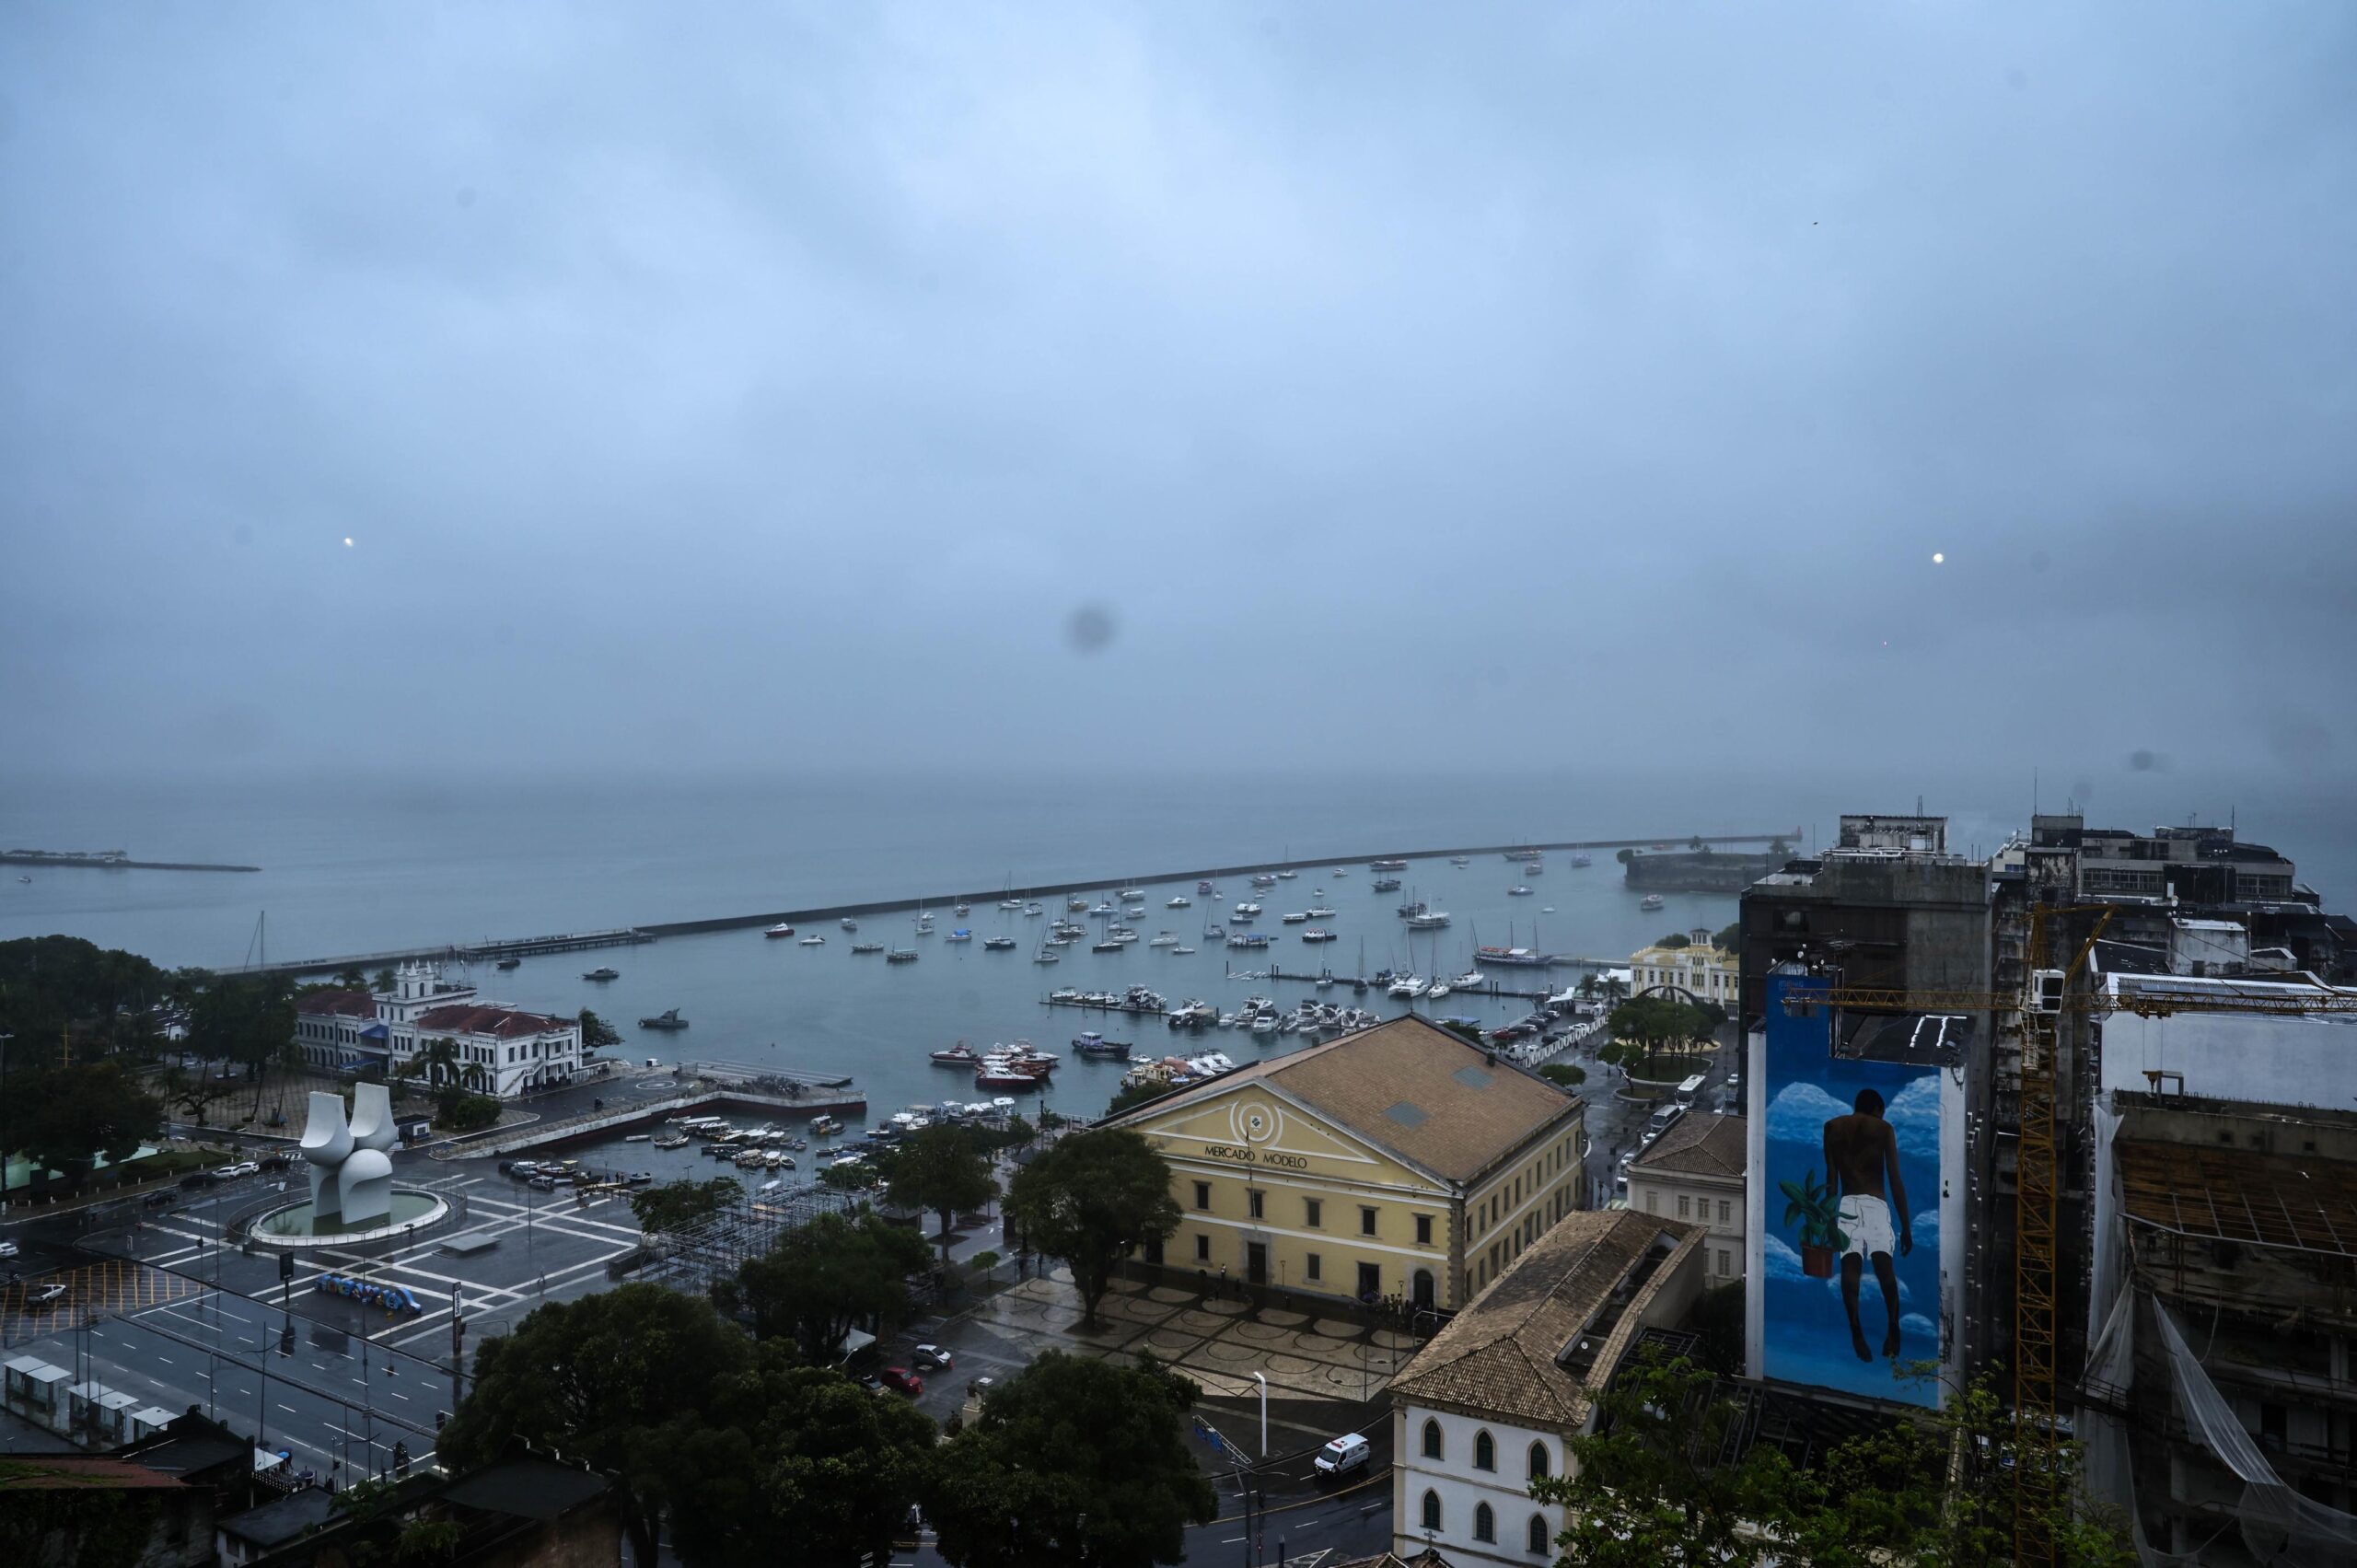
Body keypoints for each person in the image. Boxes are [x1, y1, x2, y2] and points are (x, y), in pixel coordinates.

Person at [1822, 1086, 1911, 1362]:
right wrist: (1906, 1226)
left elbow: (1831, 1180)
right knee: (1885, 1269)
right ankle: (1894, 1327)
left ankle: (1856, 1329)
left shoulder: (1832, 1127)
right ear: (1877, 1109)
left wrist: (1829, 1219)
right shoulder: (1883, 1129)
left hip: (1847, 1205)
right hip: (1875, 1203)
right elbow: (1895, 1179)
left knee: (1851, 1270)